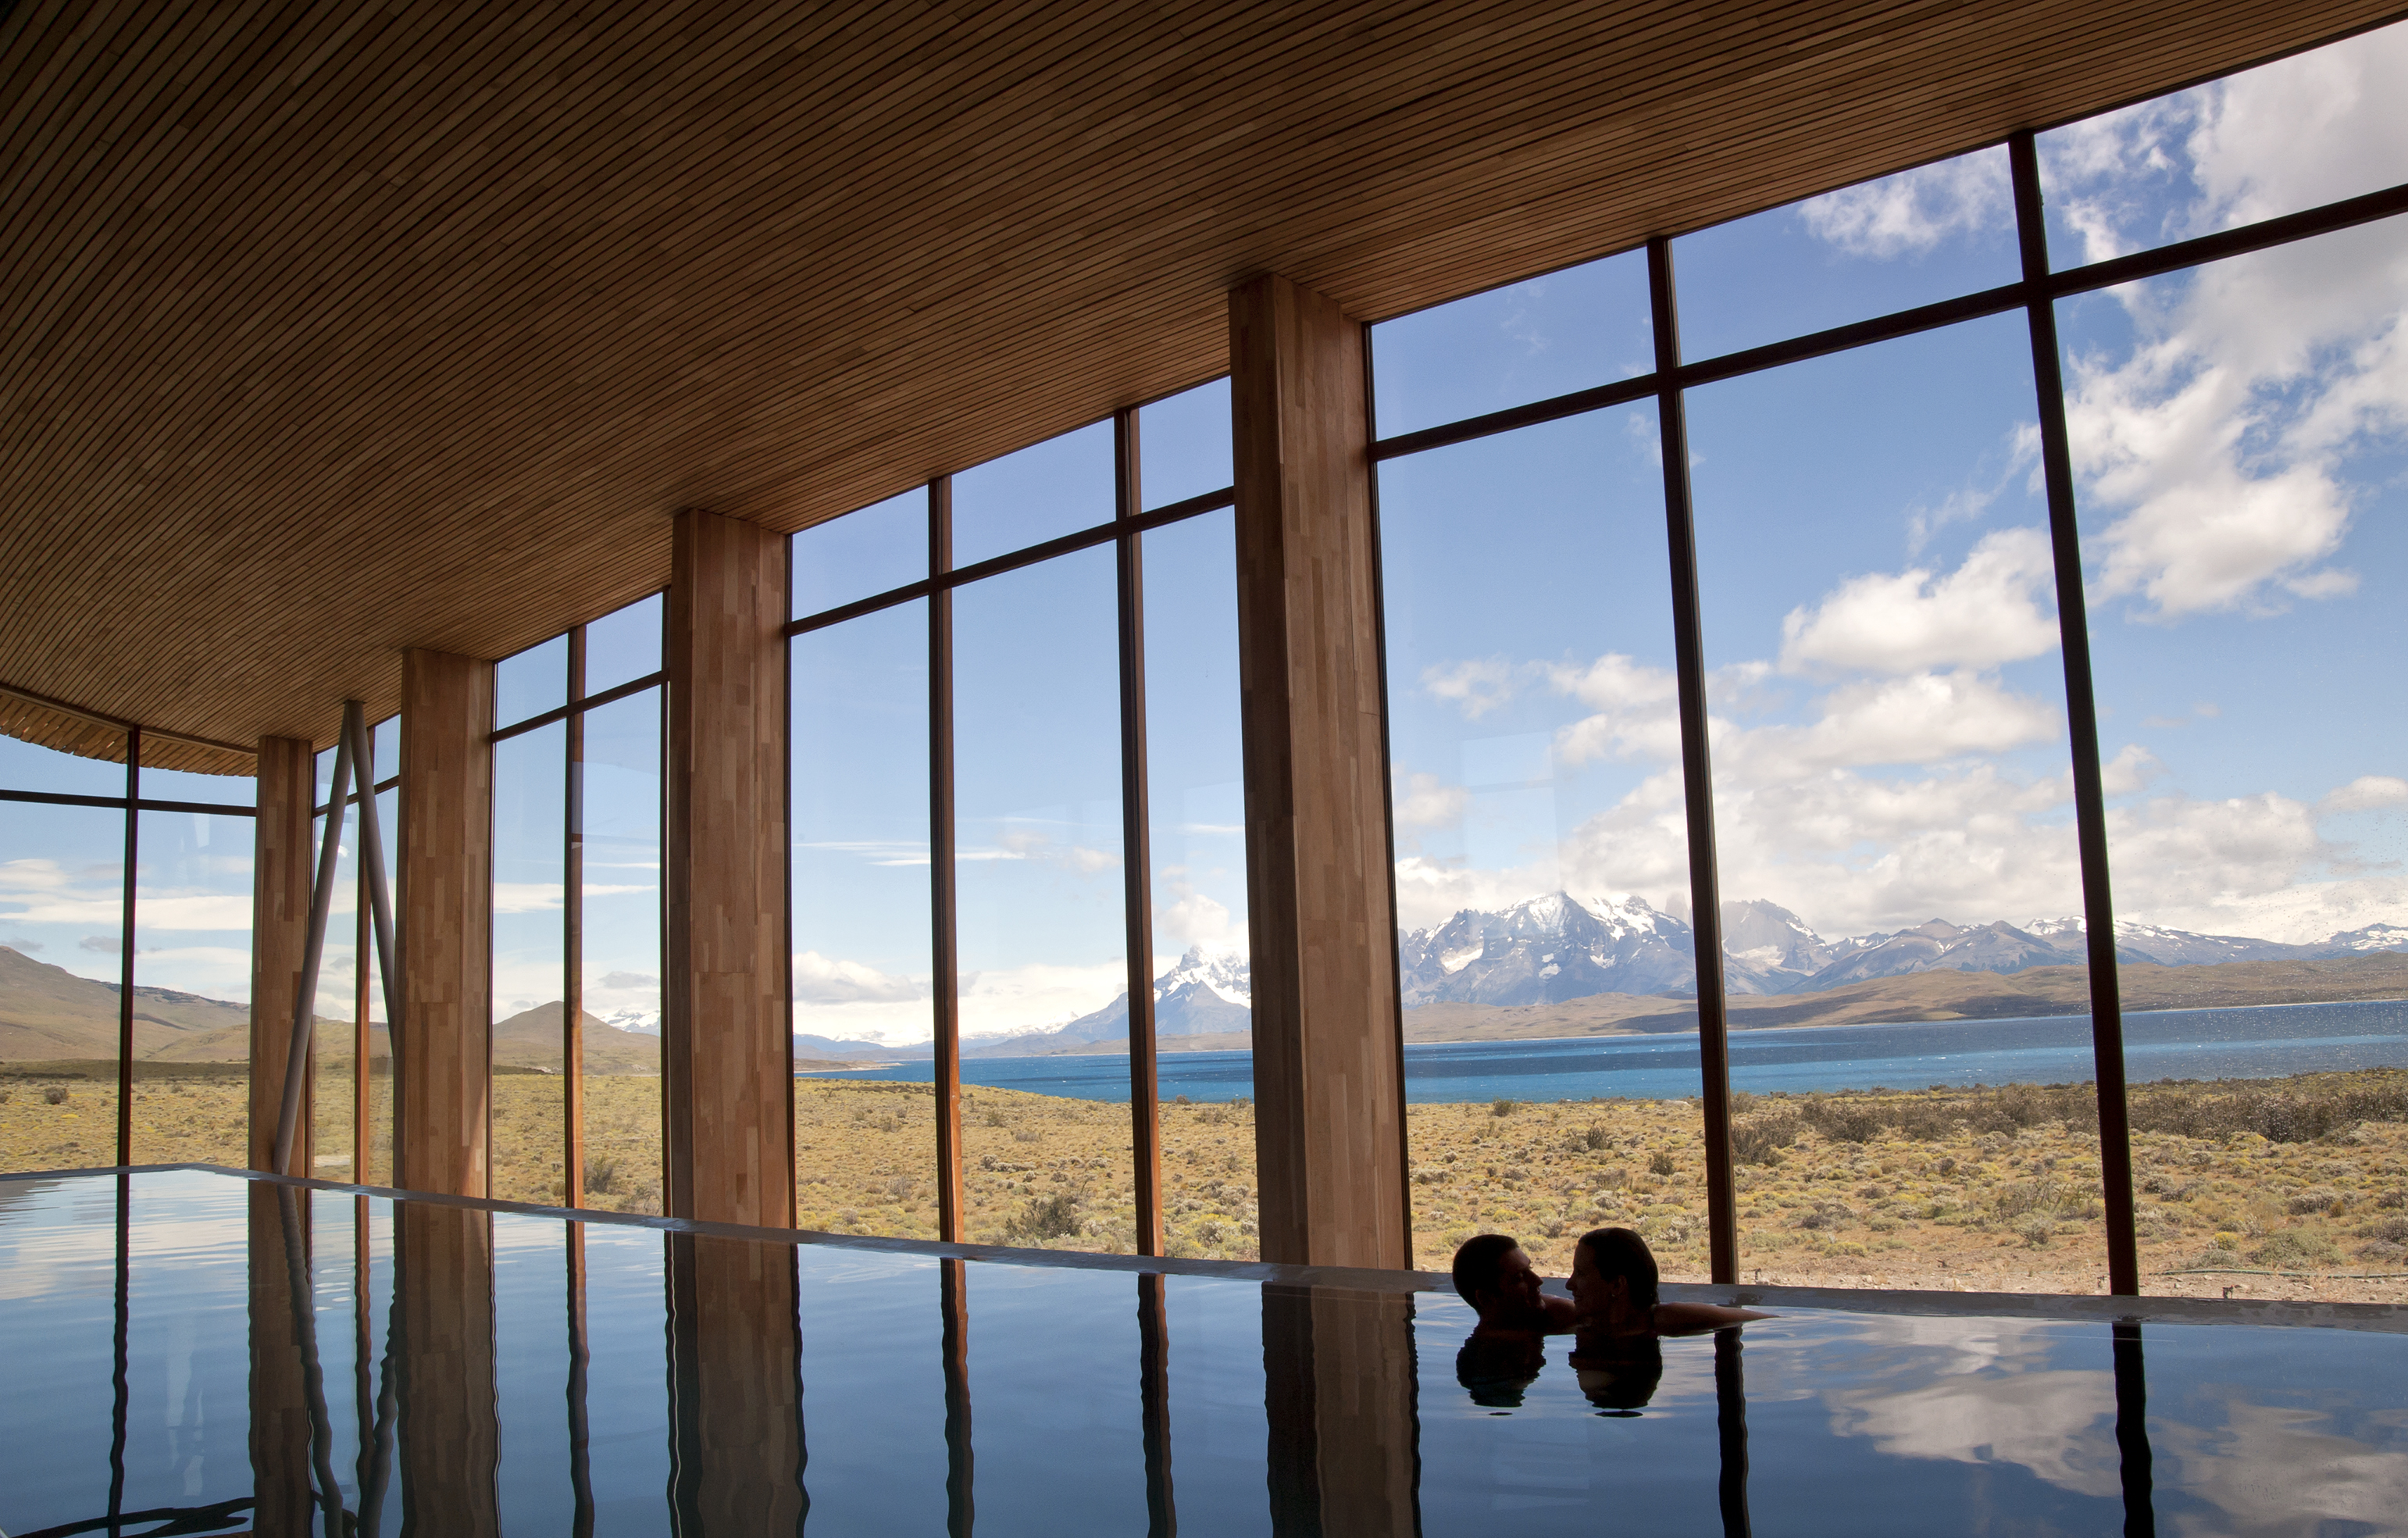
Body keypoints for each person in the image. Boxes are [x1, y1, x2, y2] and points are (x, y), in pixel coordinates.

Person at [1568, 1226, 1768, 1336]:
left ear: (1617, 1285)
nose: (1569, 1285)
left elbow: (1765, 1320)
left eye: (1581, 1273)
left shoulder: (1664, 1319)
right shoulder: (1575, 1318)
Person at [1450, 1233, 1577, 1333]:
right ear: (1486, 1299)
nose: (1538, 1281)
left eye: (1530, 1268)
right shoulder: (1485, 1354)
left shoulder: (1556, 1312)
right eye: (1519, 1278)